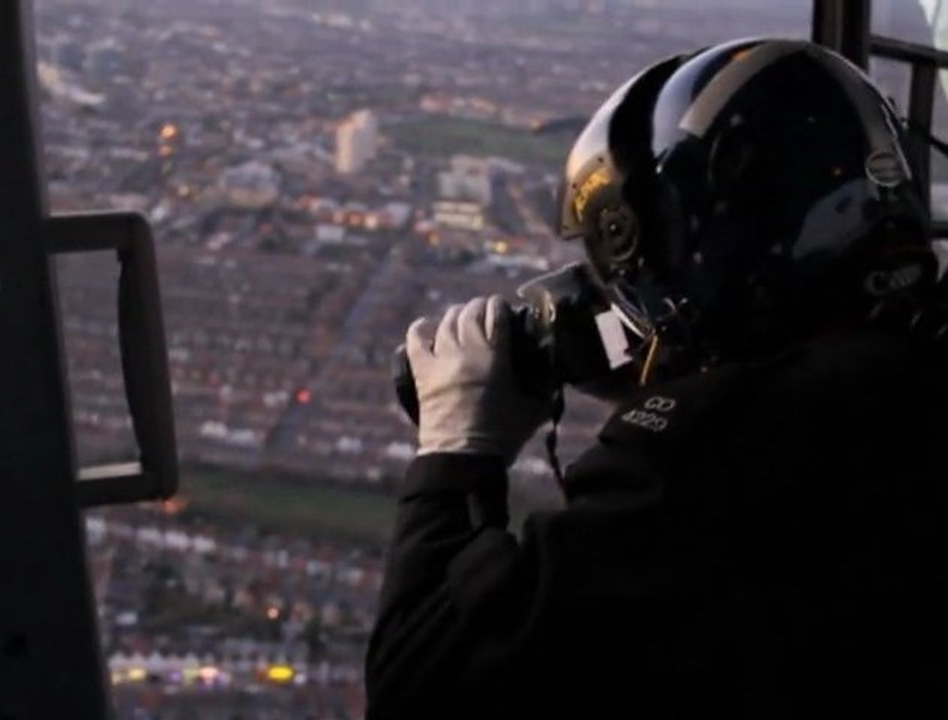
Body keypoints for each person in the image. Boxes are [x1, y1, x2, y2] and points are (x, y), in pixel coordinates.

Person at [365, 39, 948, 719]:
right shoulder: (911, 376)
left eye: (629, 269)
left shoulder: (710, 459)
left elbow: (422, 686)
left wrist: (457, 447)